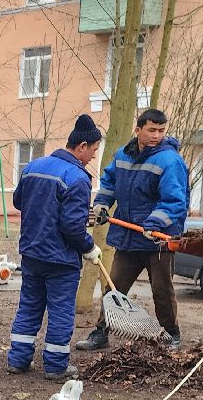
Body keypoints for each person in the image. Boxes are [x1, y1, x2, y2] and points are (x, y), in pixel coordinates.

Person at [76, 108, 189, 353]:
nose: (157, 135)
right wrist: (102, 205)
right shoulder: (123, 155)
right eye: (151, 130)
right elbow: (108, 183)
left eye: (161, 130)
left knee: (162, 290)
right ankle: (102, 332)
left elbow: (175, 201)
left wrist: (155, 222)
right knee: (114, 287)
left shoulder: (170, 161)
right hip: (128, 238)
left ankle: (171, 334)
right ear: (138, 130)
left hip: (158, 240)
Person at [6, 114, 103, 381]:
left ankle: (17, 359)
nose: (93, 157)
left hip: (32, 253)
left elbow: (18, 202)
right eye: (93, 150)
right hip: (61, 260)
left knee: (29, 306)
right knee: (61, 312)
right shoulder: (78, 178)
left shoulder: (33, 166)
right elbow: (72, 226)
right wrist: (89, 246)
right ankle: (56, 366)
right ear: (82, 146)